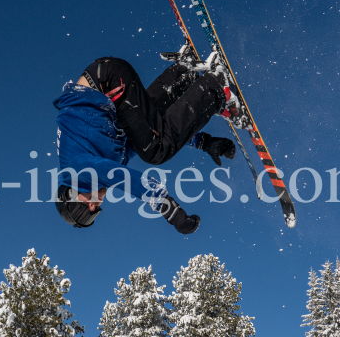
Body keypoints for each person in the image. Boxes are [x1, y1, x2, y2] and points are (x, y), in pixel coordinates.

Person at [53, 52, 246, 234]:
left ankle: (217, 87)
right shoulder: (98, 162)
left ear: (69, 193)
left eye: (81, 211)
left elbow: (125, 178)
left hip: (108, 83)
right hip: (107, 82)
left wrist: (167, 208)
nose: (93, 207)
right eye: (90, 216)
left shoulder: (76, 172)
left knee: (156, 151)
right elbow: (143, 135)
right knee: (150, 141)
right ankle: (183, 75)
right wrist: (204, 142)